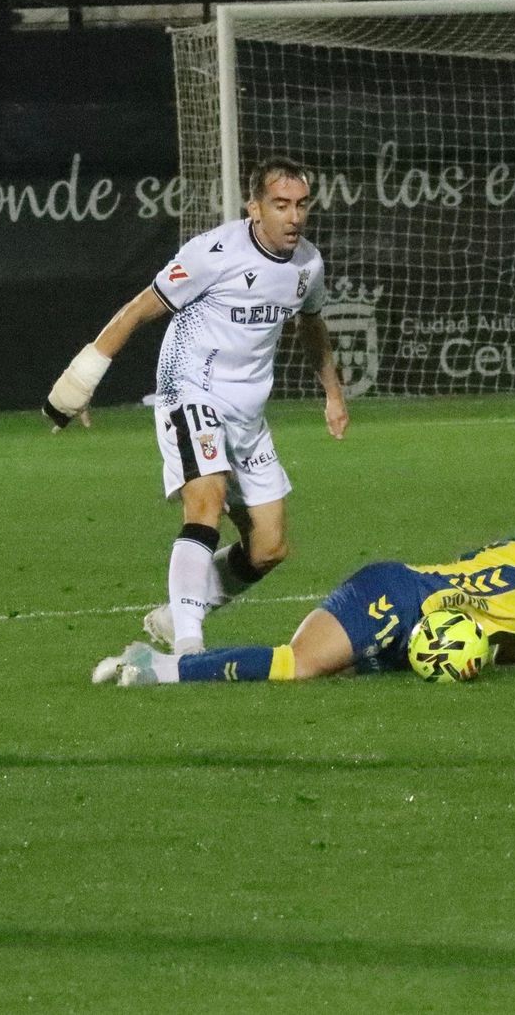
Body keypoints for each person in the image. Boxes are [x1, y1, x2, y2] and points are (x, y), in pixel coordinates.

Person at [44, 156, 347, 657]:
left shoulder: (307, 265)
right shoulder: (213, 253)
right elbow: (140, 308)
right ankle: (190, 646)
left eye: (301, 205)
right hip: (190, 391)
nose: (294, 217)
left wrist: (332, 392)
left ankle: (175, 614)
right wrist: (81, 381)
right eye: (280, 205)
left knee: (268, 547)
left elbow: (312, 325)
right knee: (205, 500)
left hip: (248, 415)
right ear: (254, 208)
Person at [92, 494, 515, 686]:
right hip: (399, 593)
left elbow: (498, 635)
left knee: (321, 677)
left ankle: (175, 654)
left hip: (422, 623)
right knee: (298, 666)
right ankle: (165, 667)